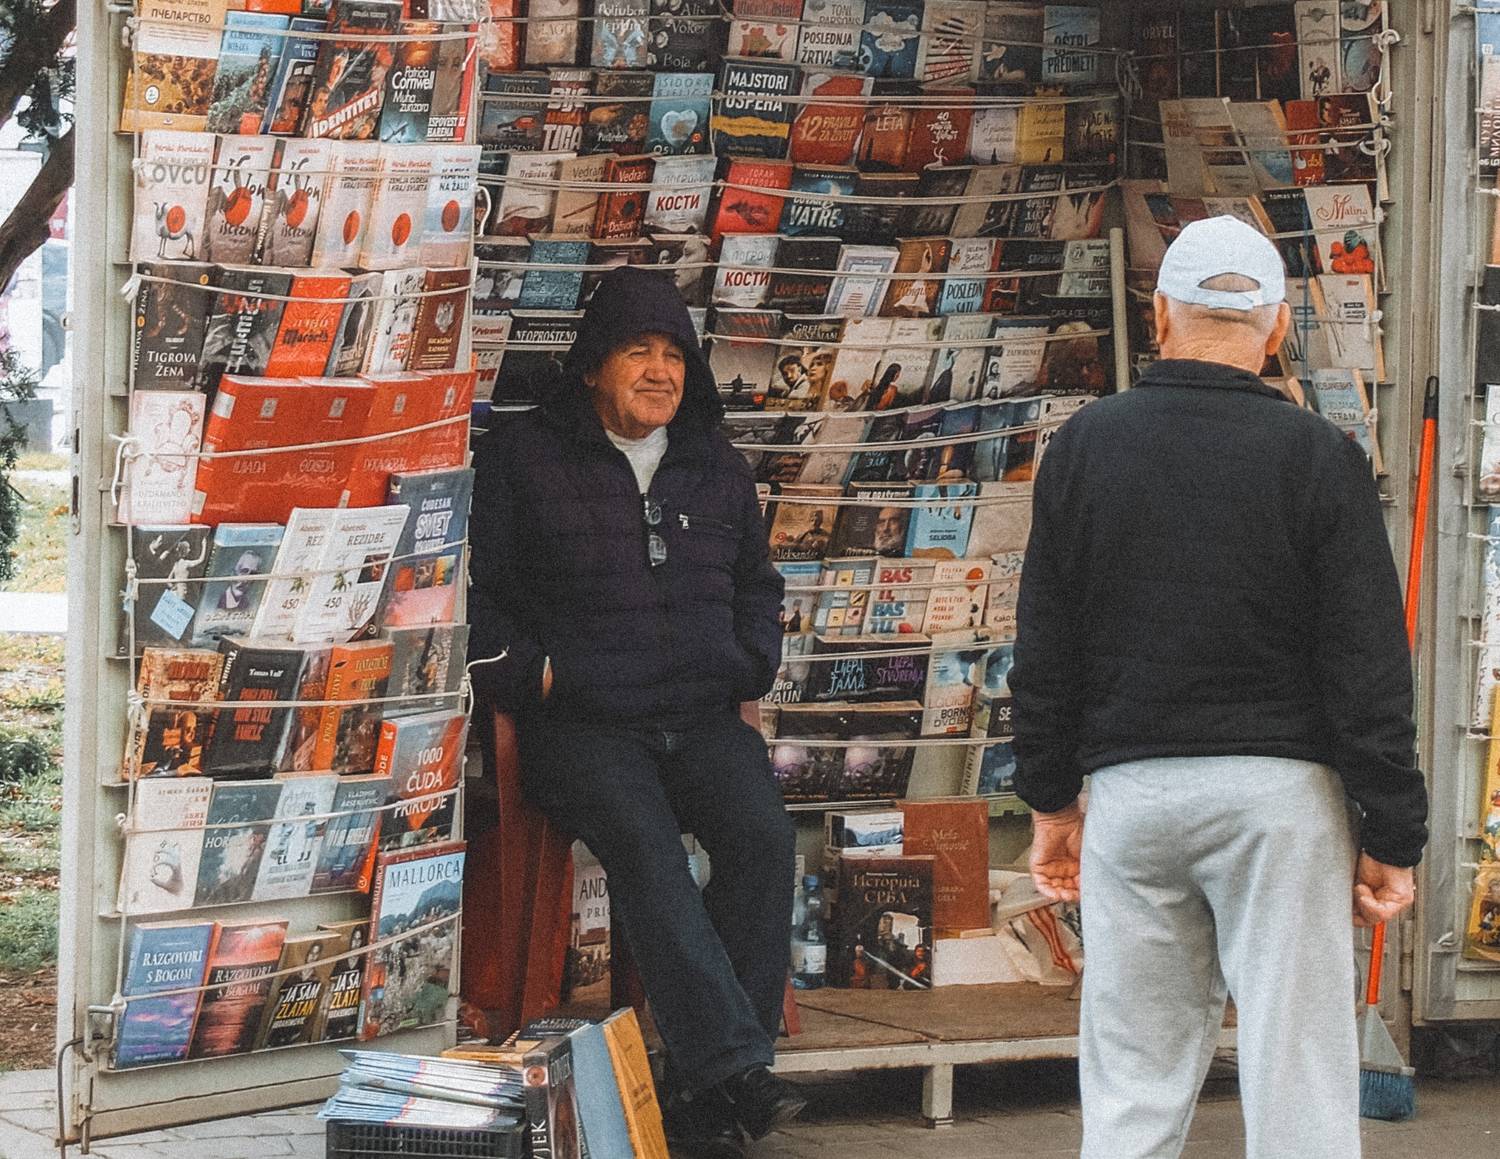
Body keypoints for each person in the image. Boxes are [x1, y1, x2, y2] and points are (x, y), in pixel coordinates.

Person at [1009, 216, 1428, 1159]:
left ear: (1160, 315)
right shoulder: (1319, 457)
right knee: (1299, 1076)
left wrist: (1052, 802)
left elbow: (1046, 650)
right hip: (1282, 806)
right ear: (1276, 328)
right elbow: (1368, 666)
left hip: (1134, 794)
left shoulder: (1085, 446)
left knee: (1131, 1080)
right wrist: (1392, 834)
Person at [468, 266, 804, 1159]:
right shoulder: (523, 458)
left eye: (674, 355)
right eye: (638, 352)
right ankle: (734, 1070)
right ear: (592, 365)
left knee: (764, 839)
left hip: (700, 716)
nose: (660, 371)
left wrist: (750, 660)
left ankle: (712, 1084)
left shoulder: (715, 465)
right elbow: (476, 600)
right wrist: (538, 678)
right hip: (582, 727)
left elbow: (759, 586)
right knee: (649, 848)